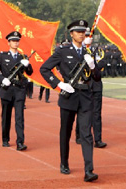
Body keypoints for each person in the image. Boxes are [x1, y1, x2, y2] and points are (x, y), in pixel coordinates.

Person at [40, 19, 101, 182]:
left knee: (87, 134)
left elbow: (97, 77)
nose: (82, 34)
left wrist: (93, 66)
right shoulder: (62, 51)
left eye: (84, 32)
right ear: (72, 34)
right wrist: (59, 84)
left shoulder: (89, 52)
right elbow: (44, 69)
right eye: (78, 31)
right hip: (69, 96)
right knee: (65, 132)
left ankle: (89, 170)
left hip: (86, 96)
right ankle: (64, 162)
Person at [0, 31, 33, 150]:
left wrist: (27, 65)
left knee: (19, 117)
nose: (15, 43)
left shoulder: (22, 57)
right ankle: (5, 138)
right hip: (7, 90)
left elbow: (29, 72)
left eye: (17, 41)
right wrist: (1, 79)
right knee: (6, 116)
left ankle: (20, 141)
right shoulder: (3, 56)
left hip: (19, 90)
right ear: (8, 42)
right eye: (13, 41)